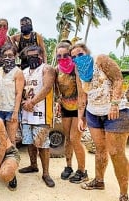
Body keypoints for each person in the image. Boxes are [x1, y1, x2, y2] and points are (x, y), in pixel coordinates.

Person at [70, 43, 129, 201]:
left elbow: (118, 79)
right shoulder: (79, 71)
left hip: (116, 111)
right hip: (93, 113)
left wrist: (115, 103)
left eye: (80, 54)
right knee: (100, 149)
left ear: (88, 52)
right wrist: (81, 116)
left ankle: (124, 193)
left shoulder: (100, 60)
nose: (77, 58)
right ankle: (99, 180)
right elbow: (82, 95)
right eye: (74, 57)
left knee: (116, 152)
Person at [18, 45, 55, 188]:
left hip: (41, 113)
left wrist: (32, 102)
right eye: (29, 55)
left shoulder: (47, 69)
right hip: (26, 113)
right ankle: (33, 165)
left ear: (40, 55)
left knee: (43, 144)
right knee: (30, 142)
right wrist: (23, 102)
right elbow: (20, 90)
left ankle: (46, 173)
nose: (32, 57)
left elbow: (47, 88)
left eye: (35, 55)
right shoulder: (24, 72)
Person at [54, 41, 88, 183]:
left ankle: (82, 171)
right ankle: (68, 167)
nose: (62, 58)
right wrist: (58, 101)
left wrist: (81, 115)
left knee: (75, 139)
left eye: (66, 55)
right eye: (59, 55)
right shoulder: (56, 70)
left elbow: (82, 92)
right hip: (66, 107)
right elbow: (56, 88)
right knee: (67, 138)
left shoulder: (77, 68)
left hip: (79, 108)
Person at [0, 44, 24, 145]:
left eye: (10, 55)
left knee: (11, 139)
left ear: (15, 56)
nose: (7, 58)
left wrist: (15, 112)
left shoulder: (18, 72)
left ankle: (12, 159)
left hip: (11, 110)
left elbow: (19, 93)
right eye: (5, 55)